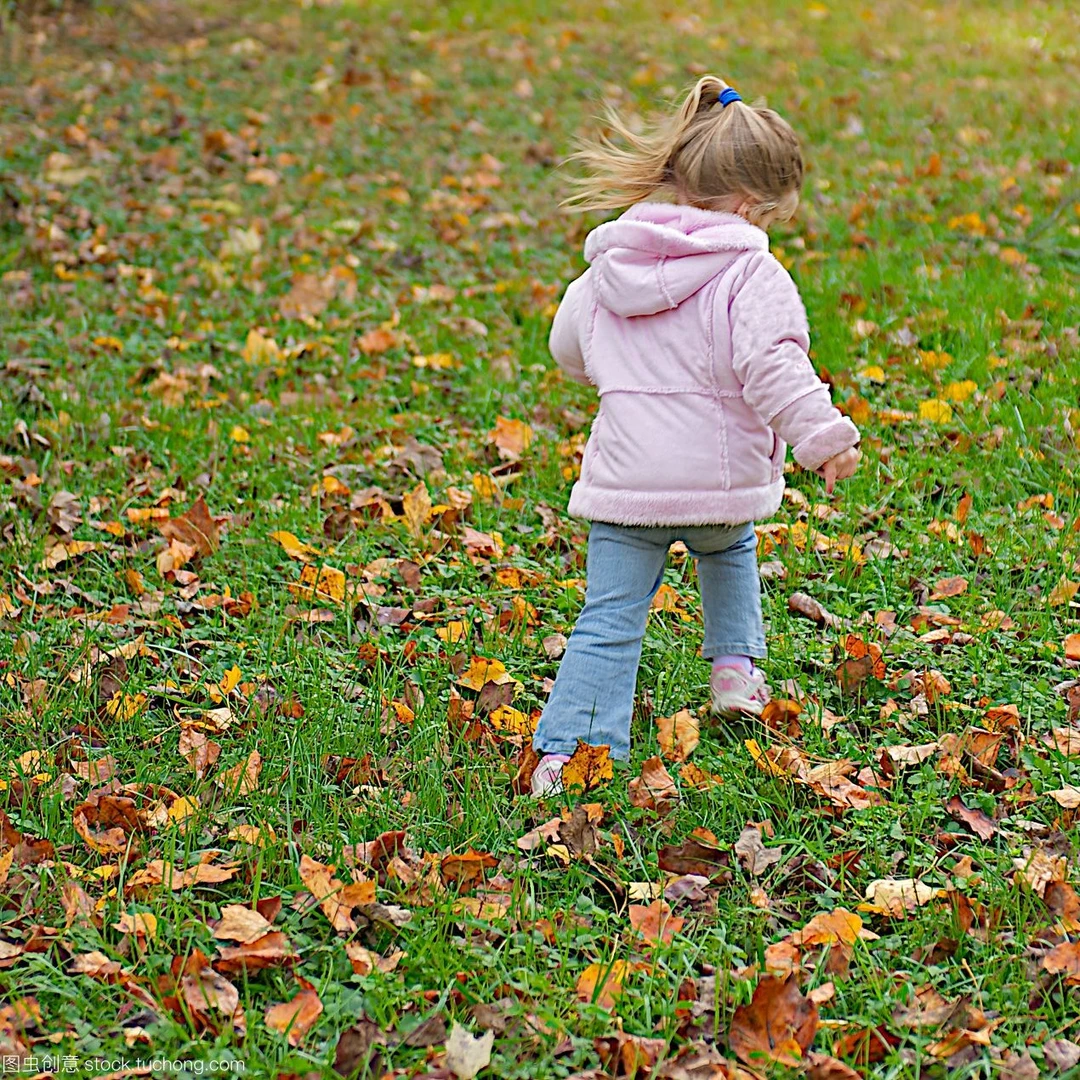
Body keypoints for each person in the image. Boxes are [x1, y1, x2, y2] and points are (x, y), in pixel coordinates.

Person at [531, 76, 861, 796]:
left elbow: (567, 347)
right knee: (729, 545)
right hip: (715, 485)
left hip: (626, 485)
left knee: (611, 616)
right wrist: (823, 437)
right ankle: (736, 671)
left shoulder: (611, 263)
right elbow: (774, 364)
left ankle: (567, 757)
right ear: (750, 204)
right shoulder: (751, 271)